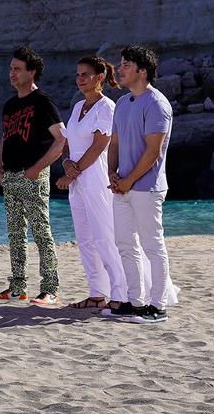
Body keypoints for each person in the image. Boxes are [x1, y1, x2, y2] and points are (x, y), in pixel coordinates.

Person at [105, 45, 180, 324]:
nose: (119, 69)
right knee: (124, 243)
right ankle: (135, 301)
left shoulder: (157, 103)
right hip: (123, 186)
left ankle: (158, 306)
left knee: (152, 244)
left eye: (125, 64)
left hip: (147, 187)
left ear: (142, 71)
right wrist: (112, 173)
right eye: (120, 63)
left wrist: (128, 180)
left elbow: (153, 151)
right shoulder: (123, 103)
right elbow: (115, 142)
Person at [0, 46, 65, 306]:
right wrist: (0, 166)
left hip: (33, 176)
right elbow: (5, 137)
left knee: (41, 231)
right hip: (9, 176)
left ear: (31, 72)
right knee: (16, 234)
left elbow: (61, 140)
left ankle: (50, 289)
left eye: (17, 69)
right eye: (11, 68)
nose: (12, 73)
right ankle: (17, 287)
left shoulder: (43, 102)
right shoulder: (10, 105)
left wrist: (38, 168)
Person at [57, 55, 128, 311]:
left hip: (96, 179)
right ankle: (97, 293)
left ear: (99, 77)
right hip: (77, 181)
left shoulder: (106, 107)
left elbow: (100, 146)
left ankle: (120, 293)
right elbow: (68, 143)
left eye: (85, 74)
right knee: (85, 239)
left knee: (104, 236)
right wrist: (66, 163)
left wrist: (70, 174)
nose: (80, 79)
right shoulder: (77, 107)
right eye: (77, 75)